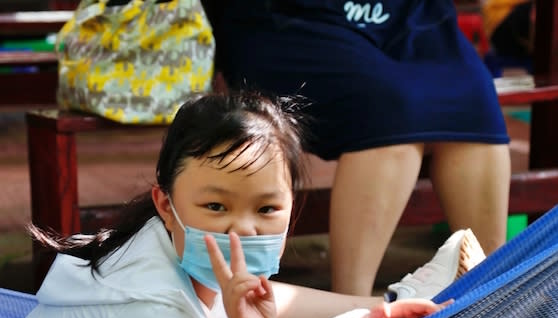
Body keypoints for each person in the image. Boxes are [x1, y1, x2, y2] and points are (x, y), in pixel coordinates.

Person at [10, 91, 469, 318]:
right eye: (216, 206)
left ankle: (389, 301)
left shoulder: (183, 267)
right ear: (166, 205)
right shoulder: (149, 315)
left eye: (267, 208)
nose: (243, 228)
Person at [201, 0, 511, 299]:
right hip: (290, 20)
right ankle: (350, 311)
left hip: (407, 15)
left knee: (474, 98)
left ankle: (490, 297)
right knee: (389, 112)